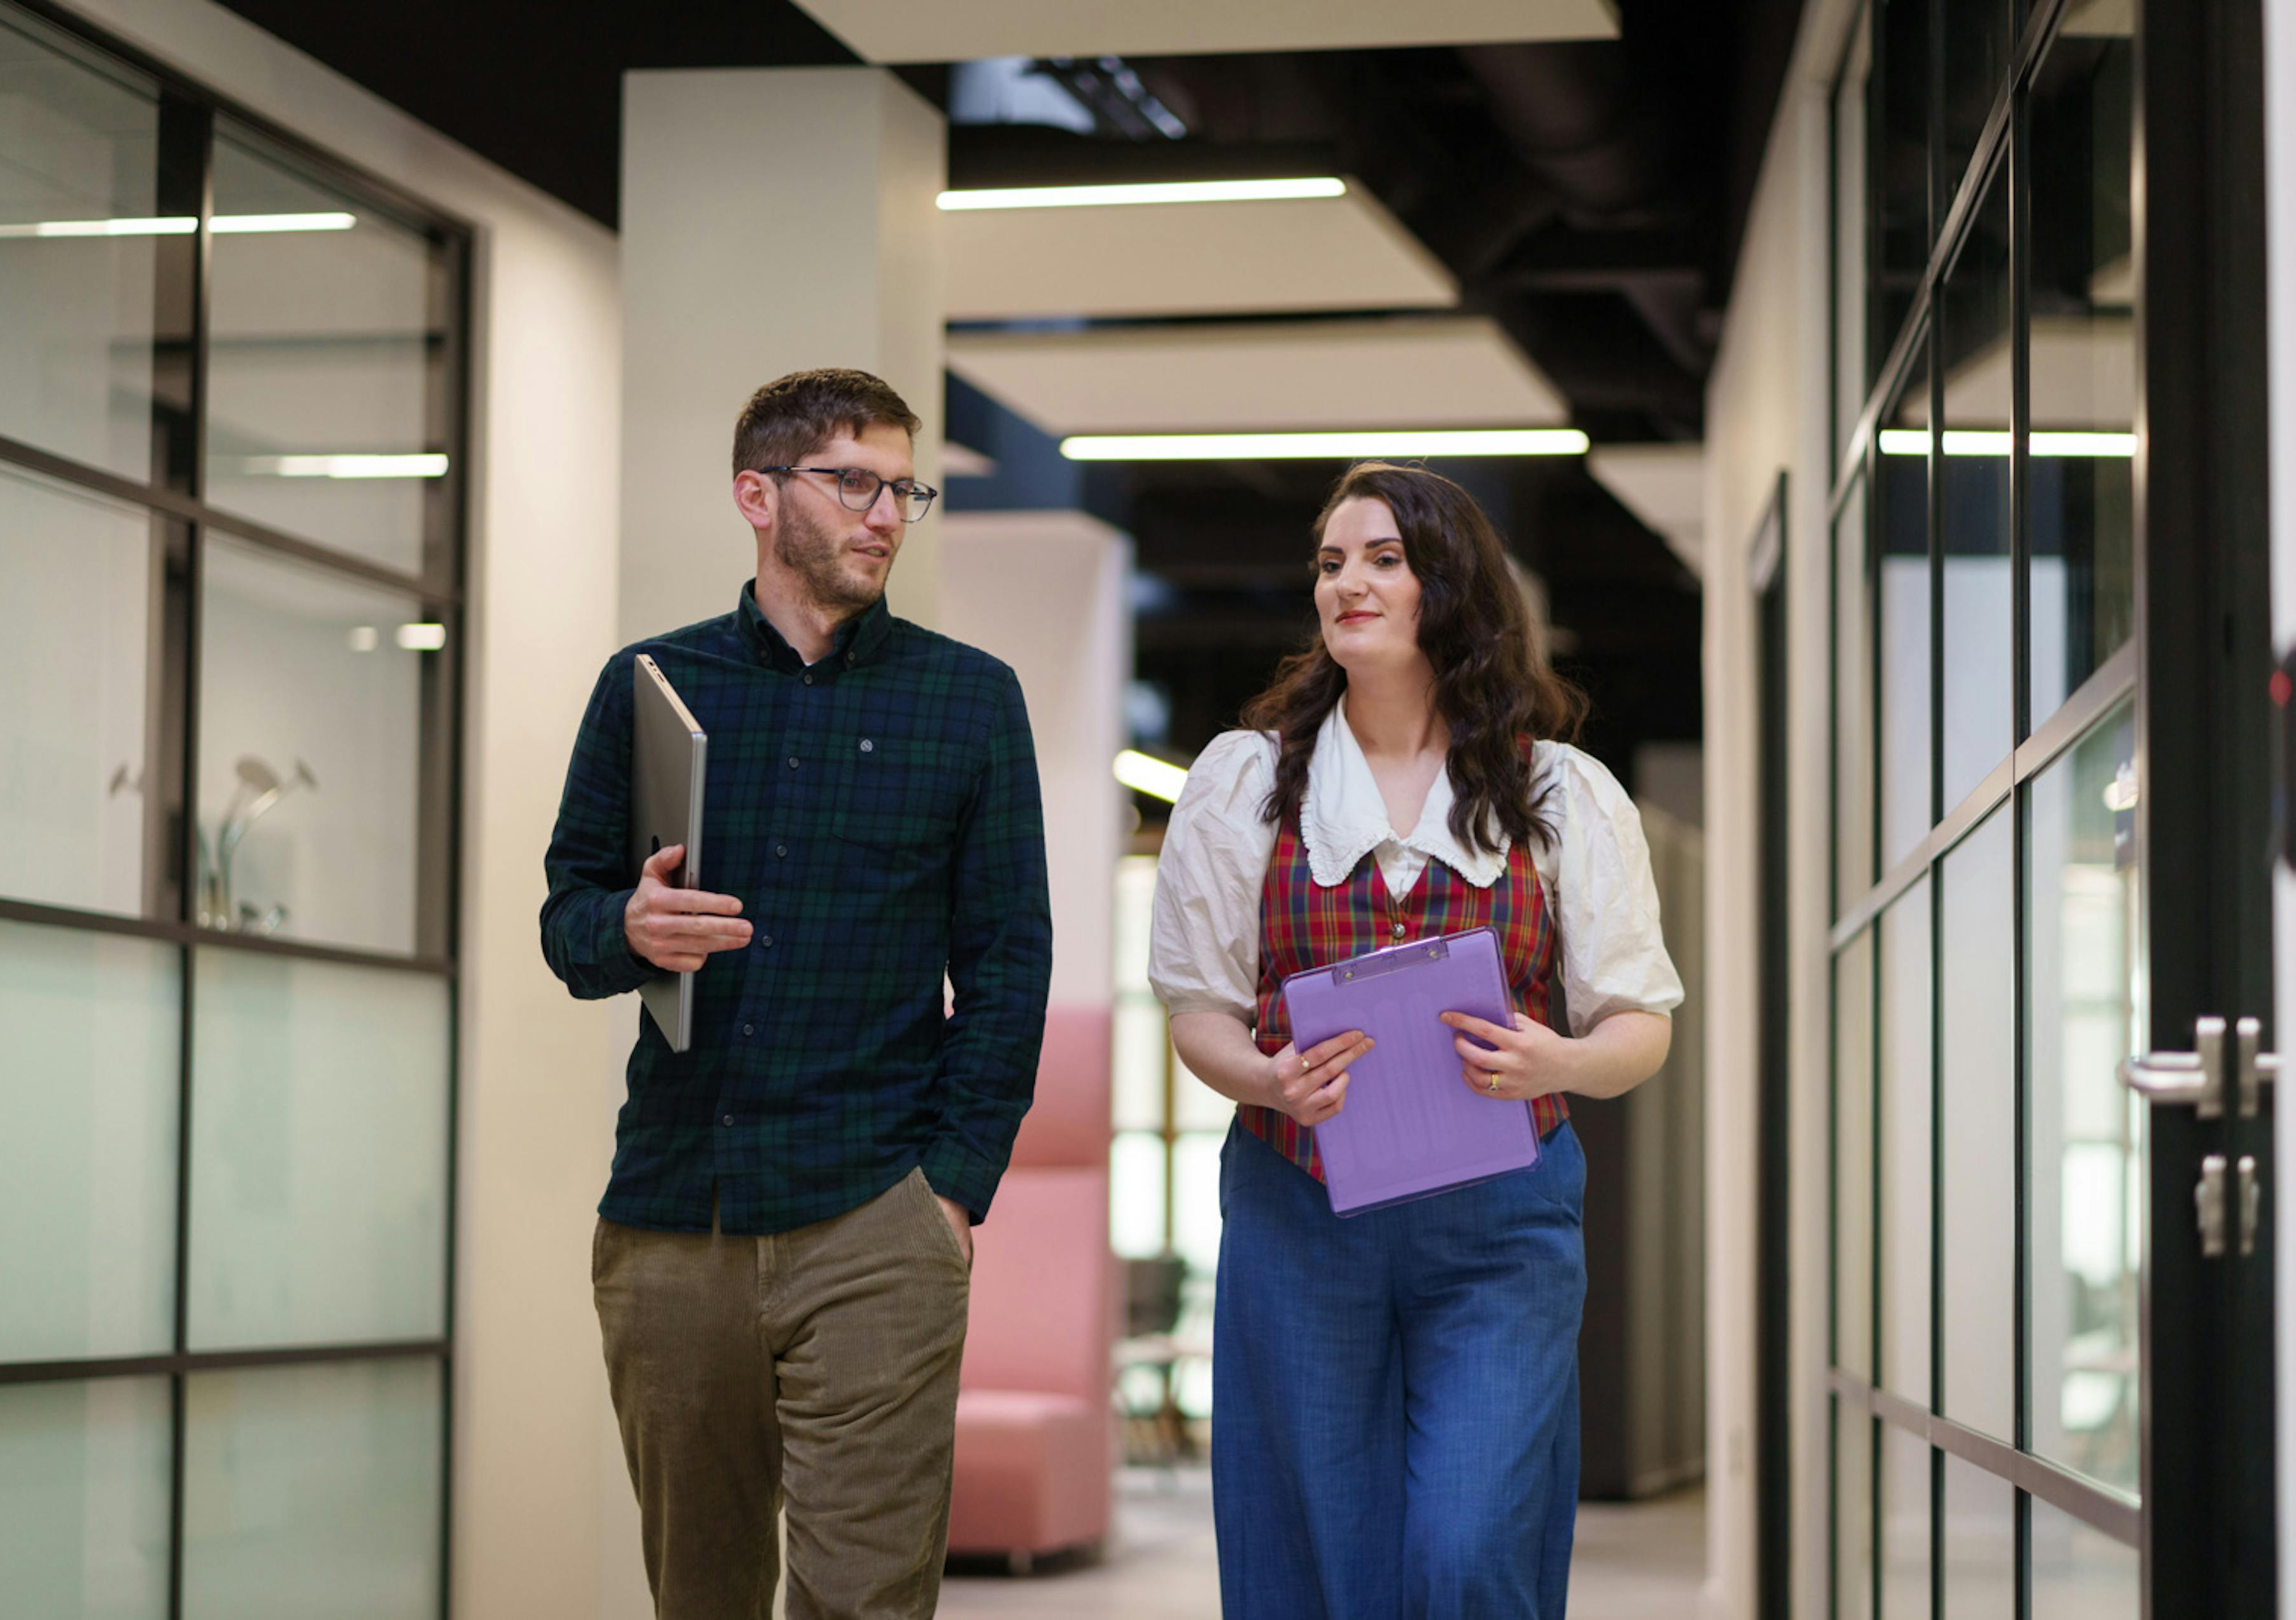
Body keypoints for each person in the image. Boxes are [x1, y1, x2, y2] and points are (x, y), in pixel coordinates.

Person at [539, 368, 1052, 1619]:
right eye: (855, 483)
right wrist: (628, 925)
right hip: (673, 1215)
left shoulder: (969, 700)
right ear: (758, 495)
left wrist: (951, 1190)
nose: (886, 514)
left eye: (904, 489)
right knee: (700, 1597)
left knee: (866, 1602)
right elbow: (567, 923)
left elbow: (1007, 963)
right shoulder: (647, 685)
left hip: (877, 1217)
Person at [1148, 461, 1682, 1619]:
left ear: (1450, 584)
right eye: (1333, 563)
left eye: (1384, 558)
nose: (1350, 582)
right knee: (1313, 1550)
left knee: (1468, 1541)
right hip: (1301, 1213)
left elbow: (1640, 1025)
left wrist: (1560, 1061)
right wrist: (1268, 1079)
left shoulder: (1562, 795)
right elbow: (1198, 1011)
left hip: (1502, 1223)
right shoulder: (1244, 785)